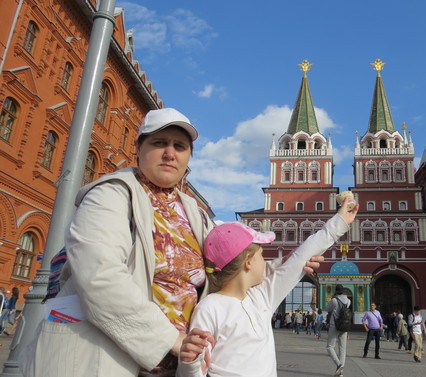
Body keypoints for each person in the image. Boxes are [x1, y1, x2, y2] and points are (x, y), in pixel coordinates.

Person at [19, 108, 325, 377]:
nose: (170, 153)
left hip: (180, 364)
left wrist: (279, 266)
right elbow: (99, 275)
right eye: (159, 143)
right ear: (139, 148)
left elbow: (229, 262)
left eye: (180, 146)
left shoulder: (192, 210)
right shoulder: (110, 195)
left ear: (188, 157)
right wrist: (170, 340)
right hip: (111, 355)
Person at [177, 198, 359, 377]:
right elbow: (196, 366)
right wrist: (189, 363)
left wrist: (340, 221)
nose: (266, 262)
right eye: (261, 255)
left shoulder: (261, 296)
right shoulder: (209, 307)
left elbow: (301, 257)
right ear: (248, 262)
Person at [326, 284, 351, 376]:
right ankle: (341, 373)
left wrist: (332, 298)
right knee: (342, 349)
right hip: (345, 326)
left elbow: (327, 309)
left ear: (336, 291)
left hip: (335, 326)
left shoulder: (334, 300)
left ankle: (339, 364)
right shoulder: (348, 301)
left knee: (330, 347)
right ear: (343, 291)